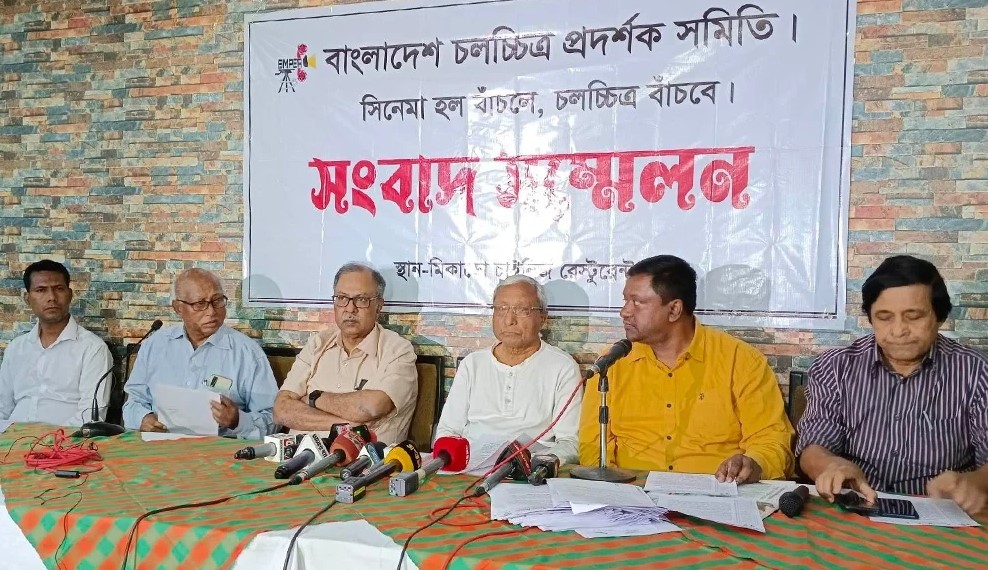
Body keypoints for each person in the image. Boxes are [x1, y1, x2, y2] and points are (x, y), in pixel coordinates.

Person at [797, 255, 988, 515]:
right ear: (871, 318)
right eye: (884, 317)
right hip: (856, 509)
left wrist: (973, 483)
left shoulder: (977, 371)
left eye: (913, 316)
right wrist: (831, 465)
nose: (898, 331)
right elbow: (813, 445)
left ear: (939, 317)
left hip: (942, 514)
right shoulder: (835, 366)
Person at [578, 255, 794, 482]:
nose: (625, 312)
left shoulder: (741, 360)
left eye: (637, 302)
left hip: (717, 492)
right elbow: (593, 446)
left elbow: (772, 440)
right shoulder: (612, 363)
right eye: (625, 301)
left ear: (674, 309)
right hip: (631, 492)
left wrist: (754, 463)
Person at [435, 275, 582, 465]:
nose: (509, 320)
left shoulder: (562, 367)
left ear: (543, 318)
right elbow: (447, 431)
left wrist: (534, 464)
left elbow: (569, 442)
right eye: (502, 309)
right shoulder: (473, 364)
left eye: (522, 310)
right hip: (471, 467)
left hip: (531, 470)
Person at [123, 268, 277, 439]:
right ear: (178, 308)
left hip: (219, 450)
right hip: (160, 446)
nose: (211, 312)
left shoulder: (247, 353)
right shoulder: (155, 345)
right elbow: (133, 402)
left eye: (217, 301)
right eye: (200, 304)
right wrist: (143, 419)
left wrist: (238, 421)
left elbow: (273, 420)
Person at [273, 263, 417, 444]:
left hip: (364, 460)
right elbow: (281, 410)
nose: (350, 309)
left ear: (379, 306)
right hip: (299, 455)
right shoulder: (317, 344)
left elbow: (371, 407)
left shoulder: (398, 350)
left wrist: (314, 399)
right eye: (342, 298)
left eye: (361, 299)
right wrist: (347, 426)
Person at [0, 260, 113, 426]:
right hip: (11, 437)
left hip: (63, 439)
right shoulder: (17, 348)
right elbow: (2, 408)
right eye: (41, 290)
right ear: (27, 298)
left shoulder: (92, 349)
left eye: (59, 289)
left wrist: (46, 438)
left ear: (70, 294)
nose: (51, 298)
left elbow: (90, 416)